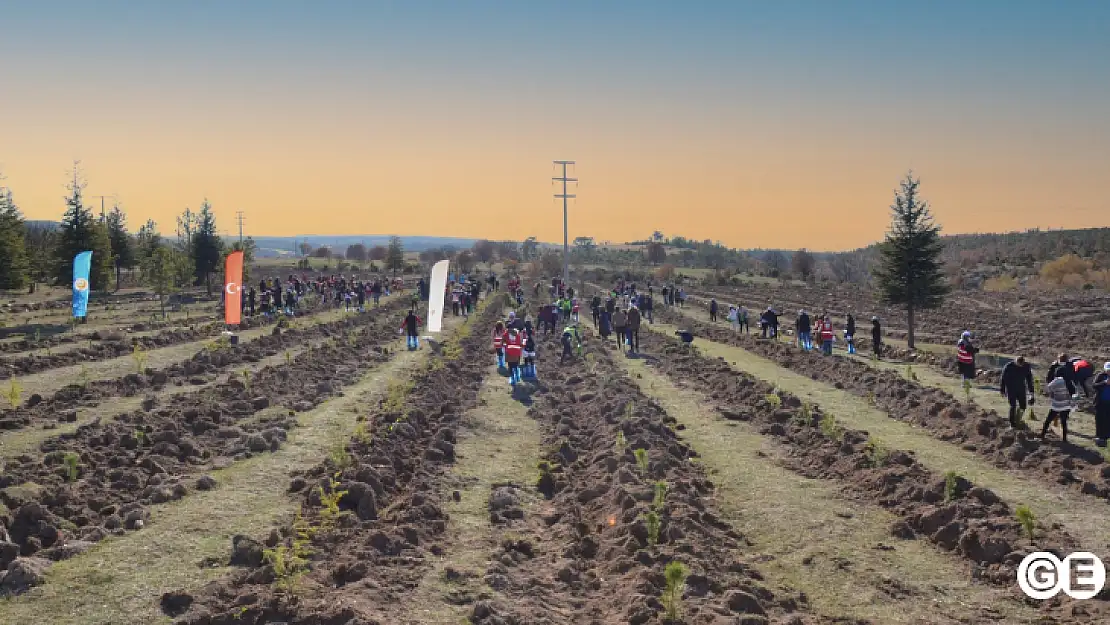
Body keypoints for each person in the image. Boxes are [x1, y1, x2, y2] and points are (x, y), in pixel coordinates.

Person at [1000, 356, 1035, 429]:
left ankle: (1018, 420)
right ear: (1015, 362)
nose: (1020, 366)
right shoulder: (1008, 367)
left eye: (1021, 365)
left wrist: (1031, 393)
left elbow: (1029, 380)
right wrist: (1002, 390)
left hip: (1021, 388)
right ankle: (1012, 424)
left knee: (1023, 406)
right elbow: (1003, 379)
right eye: (1019, 365)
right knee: (1013, 406)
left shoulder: (1026, 366)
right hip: (1011, 388)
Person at [1042, 367, 1075, 442]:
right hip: (1066, 405)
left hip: (1056, 405)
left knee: (1048, 420)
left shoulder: (1056, 381)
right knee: (1064, 422)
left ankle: (1042, 434)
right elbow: (1073, 392)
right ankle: (1064, 438)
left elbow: (1047, 389)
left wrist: (1052, 394)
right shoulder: (1069, 381)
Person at [1092, 362, 1110, 447]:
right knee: (1099, 420)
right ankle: (1099, 436)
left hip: (1108, 402)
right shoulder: (1100, 376)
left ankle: (1106, 437)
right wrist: (1104, 383)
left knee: (1107, 420)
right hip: (1100, 402)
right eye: (1108, 370)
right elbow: (1094, 386)